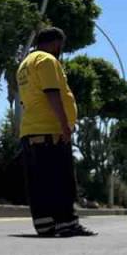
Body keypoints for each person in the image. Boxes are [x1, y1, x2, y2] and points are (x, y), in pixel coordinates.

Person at [16, 27, 96, 237]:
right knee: (62, 180)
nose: (61, 49)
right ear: (55, 43)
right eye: (61, 45)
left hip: (30, 130)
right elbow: (52, 94)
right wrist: (64, 124)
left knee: (40, 182)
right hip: (50, 131)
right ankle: (66, 224)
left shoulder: (24, 65)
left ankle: (45, 225)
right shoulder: (47, 60)